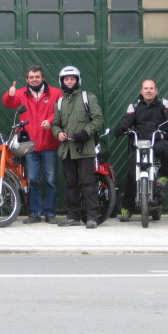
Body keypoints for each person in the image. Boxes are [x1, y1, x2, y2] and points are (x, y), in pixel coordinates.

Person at [2, 65, 62, 224]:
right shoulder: (20, 93)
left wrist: (50, 121)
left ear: (43, 78)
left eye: (37, 77)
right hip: (29, 145)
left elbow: (60, 112)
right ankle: (34, 214)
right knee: (33, 180)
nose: (34, 79)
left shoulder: (55, 93)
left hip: (49, 144)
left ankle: (50, 213)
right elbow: (8, 103)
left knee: (51, 181)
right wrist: (9, 94)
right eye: (31, 77)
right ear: (27, 79)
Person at [114, 79, 168, 222]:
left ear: (157, 90)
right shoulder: (134, 106)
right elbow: (126, 120)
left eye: (151, 88)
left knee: (166, 148)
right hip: (140, 143)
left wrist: (166, 133)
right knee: (131, 173)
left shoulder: (164, 104)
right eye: (145, 88)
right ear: (141, 91)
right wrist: (121, 129)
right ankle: (127, 208)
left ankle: (163, 176)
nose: (148, 91)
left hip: (157, 141)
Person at [52, 66, 104, 229]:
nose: (69, 82)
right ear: (62, 82)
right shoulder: (60, 102)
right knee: (70, 184)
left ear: (77, 80)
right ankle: (72, 216)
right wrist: (58, 133)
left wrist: (85, 132)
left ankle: (92, 217)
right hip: (67, 150)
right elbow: (55, 123)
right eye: (66, 79)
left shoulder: (88, 97)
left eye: (72, 79)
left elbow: (98, 119)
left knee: (88, 183)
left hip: (85, 149)